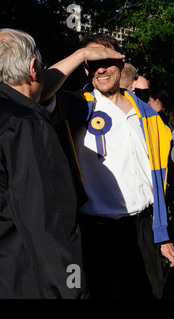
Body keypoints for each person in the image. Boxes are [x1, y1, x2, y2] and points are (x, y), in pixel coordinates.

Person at [44, 33, 174, 299]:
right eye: (92, 63)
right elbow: (38, 91)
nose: (101, 68)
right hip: (96, 232)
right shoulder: (77, 104)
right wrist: (82, 54)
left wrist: (162, 233)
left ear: (121, 62)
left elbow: (153, 179)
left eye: (106, 60)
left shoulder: (148, 114)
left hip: (142, 227)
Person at [0, 28, 88, 298]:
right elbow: (49, 221)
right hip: (25, 278)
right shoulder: (25, 124)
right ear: (34, 68)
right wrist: (73, 290)